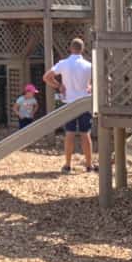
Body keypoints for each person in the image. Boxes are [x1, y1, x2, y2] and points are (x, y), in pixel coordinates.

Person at [43, 38, 94, 173]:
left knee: (70, 134)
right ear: (82, 49)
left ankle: (67, 164)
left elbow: (46, 77)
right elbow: (104, 80)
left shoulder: (63, 63)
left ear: (71, 48)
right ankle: (89, 165)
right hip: (84, 102)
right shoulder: (89, 65)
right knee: (85, 134)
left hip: (68, 102)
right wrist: (92, 87)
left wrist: (59, 86)